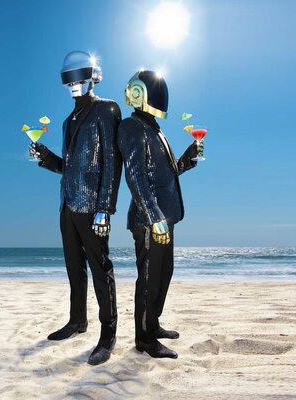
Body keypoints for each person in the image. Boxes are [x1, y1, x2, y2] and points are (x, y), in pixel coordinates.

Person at [30, 51, 122, 365]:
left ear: (92, 77)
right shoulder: (68, 122)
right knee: (74, 268)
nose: (73, 85)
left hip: (92, 205)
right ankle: (77, 321)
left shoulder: (107, 109)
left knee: (101, 269)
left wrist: (104, 209)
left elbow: (113, 162)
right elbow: (68, 166)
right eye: (67, 79)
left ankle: (108, 334)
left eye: (79, 78)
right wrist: (44, 156)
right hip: (67, 205)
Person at [117, 70, 201, 359]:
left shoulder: (155, 130)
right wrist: (153, 217)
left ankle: (152, 325)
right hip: (149, 220)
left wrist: (189, 156)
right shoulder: (131, 127)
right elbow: (136, 176)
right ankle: (144, 339)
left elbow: (167, 174)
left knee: (164, 274)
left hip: (166, 218)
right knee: (149, 278)